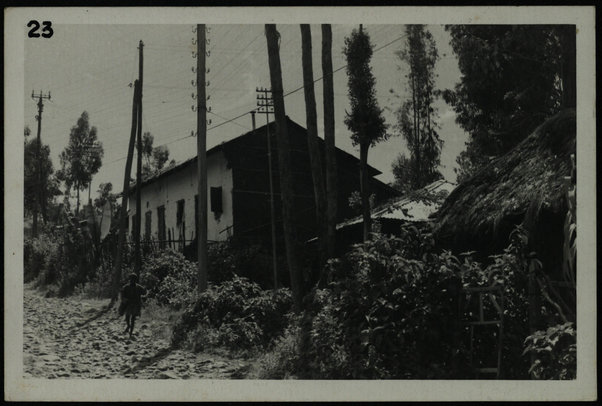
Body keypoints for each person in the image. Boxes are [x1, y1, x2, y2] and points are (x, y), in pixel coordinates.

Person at [119, 273, 146, 337]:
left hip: (136, 304)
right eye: (131, 279)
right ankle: (128, 326)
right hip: (128, 304)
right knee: (127, 317)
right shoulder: (126, 287)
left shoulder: (138, 287)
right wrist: (124, 300)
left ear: (135, 280)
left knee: (133, 318)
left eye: (133, 279)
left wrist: (145, 290)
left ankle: (130, 332)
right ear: (129, 279)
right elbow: (122, 295)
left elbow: (144, 292)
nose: (132, 280)